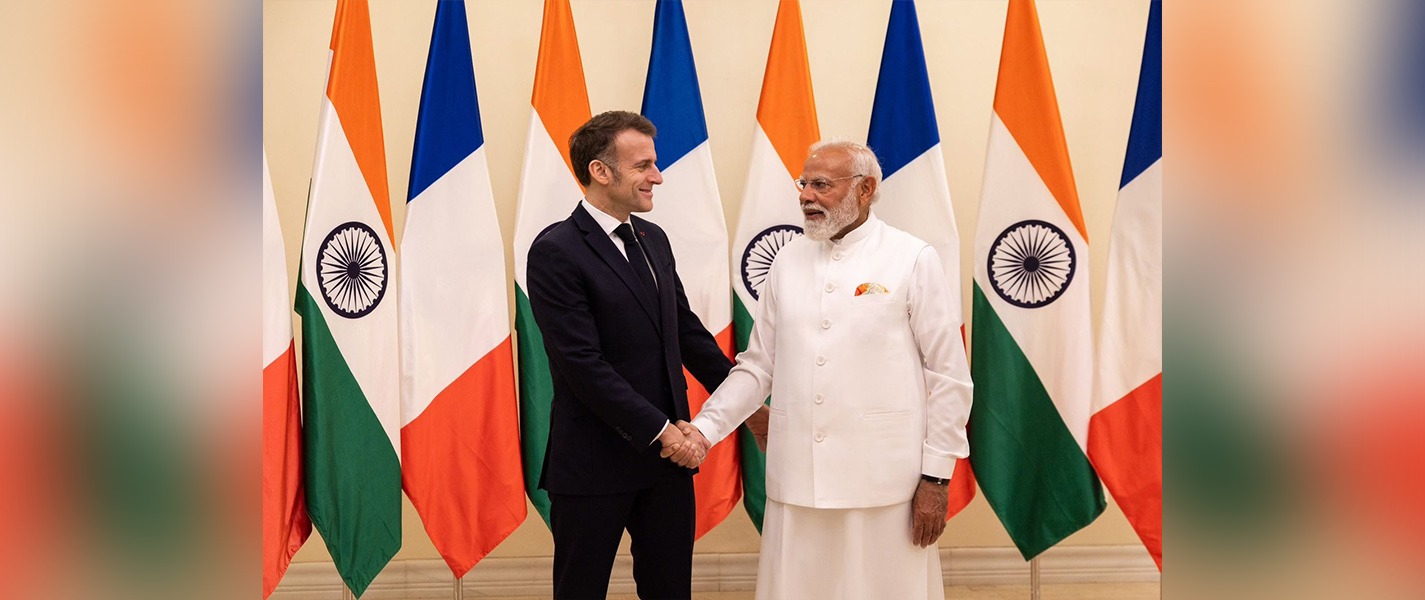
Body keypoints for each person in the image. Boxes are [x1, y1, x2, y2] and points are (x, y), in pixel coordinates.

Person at [676, 140, 974, 599]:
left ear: (865, 189)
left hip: (884, 482)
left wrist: (936, 477)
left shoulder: (912, 257)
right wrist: (704, 431)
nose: (806, 196)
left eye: (821, 185)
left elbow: (949, 377)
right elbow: (757, 368)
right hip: (797, 478)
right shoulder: (786, 260)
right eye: (803, 183)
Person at [525, 110, 734, 600]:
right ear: (601, 171)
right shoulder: (556, 250)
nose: (657, 176)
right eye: (643, 166)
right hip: (595, 462)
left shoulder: (652, 238)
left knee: (669, 591)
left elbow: (684, 332)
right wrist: (664, 434)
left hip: (666, 466)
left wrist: (746, 400)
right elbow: (583, 365)